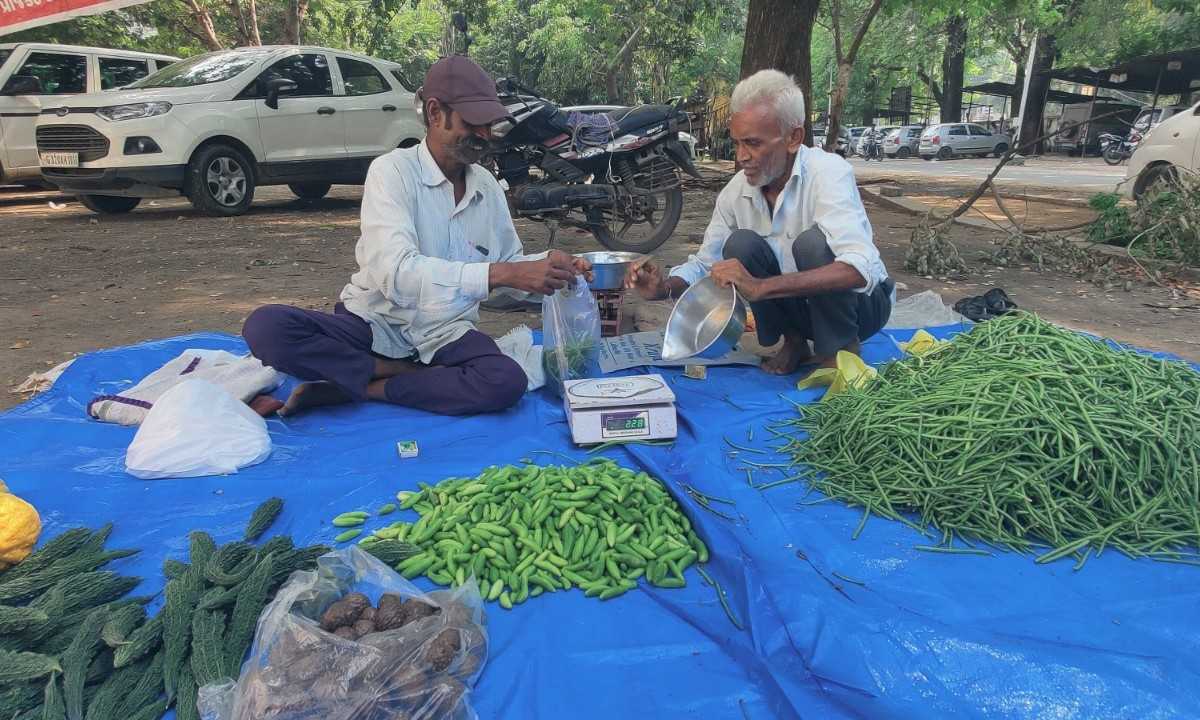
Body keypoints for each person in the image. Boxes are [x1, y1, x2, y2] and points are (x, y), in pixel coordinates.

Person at [243, 56, 590, 416]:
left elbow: (510, 265)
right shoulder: (391, 172)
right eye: (474, 123)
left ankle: (365, 387)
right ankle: (404, 374)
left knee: (505, 380)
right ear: (436, 113)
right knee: (267, 327)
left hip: (445, 332)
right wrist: (499, 273)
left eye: (489, 125)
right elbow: (397, 275)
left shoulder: (486, 186)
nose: (484, 135)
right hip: (375, 324)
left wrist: (550, 269)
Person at [624, 69, 893, 375]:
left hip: (864, 310)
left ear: (794, 138)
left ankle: (841, 350)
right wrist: (663, 288)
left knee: (812, 244)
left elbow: (859, 269)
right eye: (737, 143)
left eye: (753, 143)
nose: (742, 157)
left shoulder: (829, 173)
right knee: (740, 245)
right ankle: (794, 342)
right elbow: (705, 263)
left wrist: (761, 287)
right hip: (802, 309)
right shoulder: (736, 192)